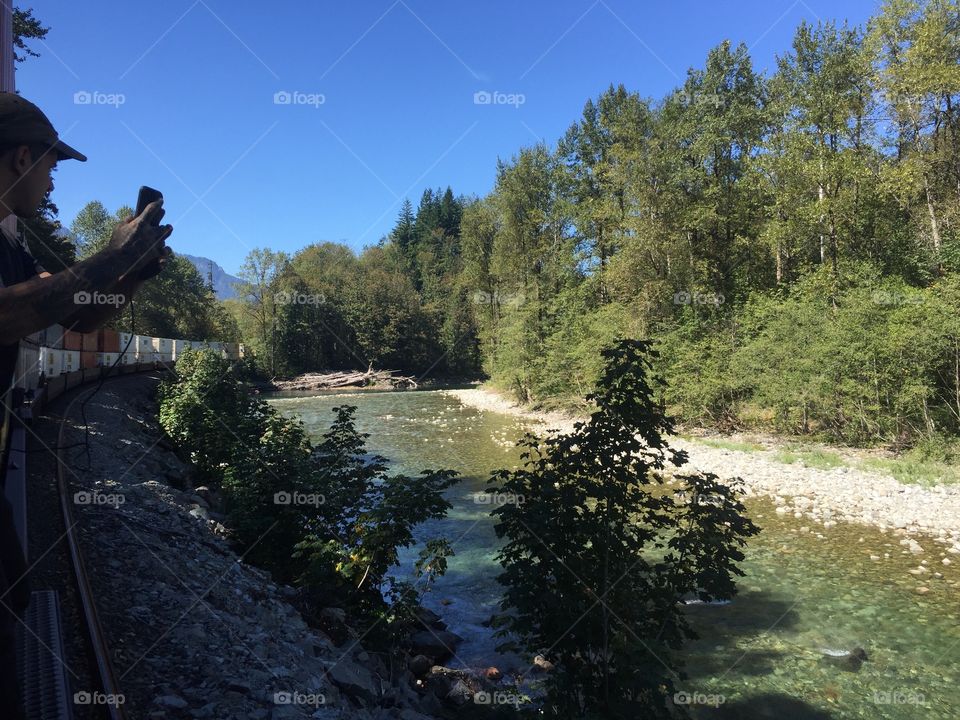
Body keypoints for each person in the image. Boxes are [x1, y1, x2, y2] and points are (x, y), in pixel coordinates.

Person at [0, 92, 173, 717]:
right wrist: (106, 258)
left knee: (14, 595)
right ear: (23, 156)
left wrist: (128, 276)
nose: (51, 181)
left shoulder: (10, 245)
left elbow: (71, 321)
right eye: (51, 166)